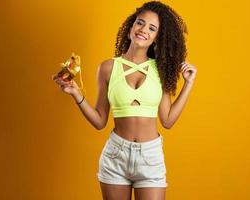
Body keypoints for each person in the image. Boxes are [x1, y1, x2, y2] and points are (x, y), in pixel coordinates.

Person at [52, 1, 197, 199]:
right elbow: (99, 121)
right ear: (131, 27)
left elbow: (168, 120)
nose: (144, 30)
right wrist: (77, 94)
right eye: (140, 23)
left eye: (152, 28)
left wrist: (188, 84)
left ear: (156, 39)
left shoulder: (161, 70)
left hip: (150, 157)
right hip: (115, 156)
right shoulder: (107, 68)